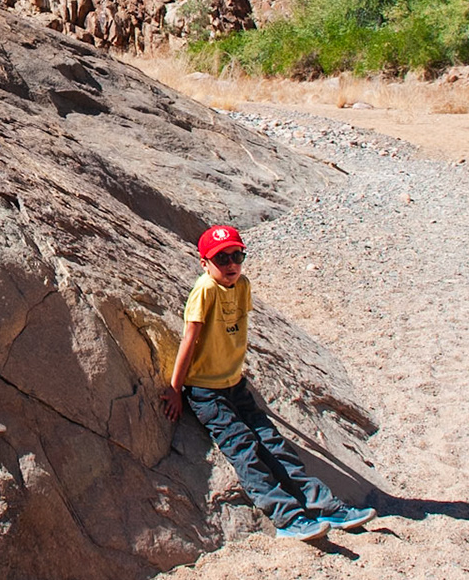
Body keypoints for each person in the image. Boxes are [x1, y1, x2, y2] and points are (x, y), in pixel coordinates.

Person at [159, 224, 376, 543]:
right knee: (243, 448)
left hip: (235, 385)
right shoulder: (205, 290)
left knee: (272, 444)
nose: (231, 264)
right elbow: (189, 339)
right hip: (206, 391)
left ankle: (325, 506)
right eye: (221, 259)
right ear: (204, 262)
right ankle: (287, 518)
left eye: (237, 255)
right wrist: (177, 389)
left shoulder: (242, 285)